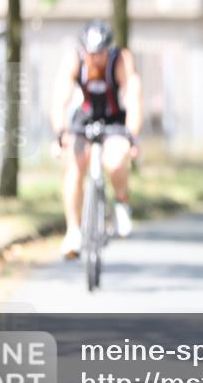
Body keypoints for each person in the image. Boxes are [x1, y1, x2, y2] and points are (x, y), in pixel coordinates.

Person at [51, 20, 143, 258]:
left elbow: (133, 96)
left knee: (114, 161)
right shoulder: (74, 60)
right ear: (83, 51)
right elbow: (60, 97)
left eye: (101, 54)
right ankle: (73, 231)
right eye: (91, 54)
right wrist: (59, 133)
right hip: (84, 119)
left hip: (113, 120)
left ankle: (121, 203)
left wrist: (132, 136)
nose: (96, 59)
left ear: (108, 50)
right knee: (75, 165)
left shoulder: (121, 60)